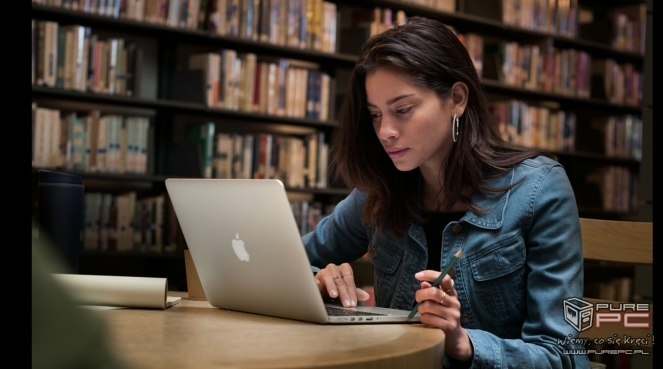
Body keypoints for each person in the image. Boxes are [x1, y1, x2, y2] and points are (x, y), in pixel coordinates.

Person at [301, 16, 590, 369]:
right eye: (375, 115)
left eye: (403, 110)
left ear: (456, 98)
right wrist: (315, 281)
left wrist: (463, 343)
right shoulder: (379, 189)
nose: (386, 131)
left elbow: (562, 356)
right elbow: (292, 261)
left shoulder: (540, 189)